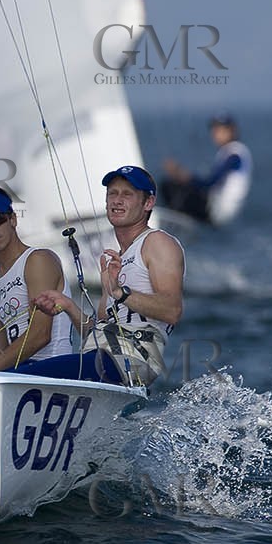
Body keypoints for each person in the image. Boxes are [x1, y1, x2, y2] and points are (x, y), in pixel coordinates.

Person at [28, 165, 185, 385]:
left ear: (148, 203)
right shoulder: (116, 262)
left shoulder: (157, 242)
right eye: (113, 193)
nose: (117, 200)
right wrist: (69, 305)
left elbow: (172, 310)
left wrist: (119, 292)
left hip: (130, 361)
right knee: (23, 370)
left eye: (127, 194)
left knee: (24, 375)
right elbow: (97, 331)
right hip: (101, 360)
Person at [0, 186, 74, 370]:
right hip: (21, 371)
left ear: (13, 220)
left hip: (53, 366)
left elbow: (41, 334)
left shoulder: (37, 260)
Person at [160, 114, 252, 226]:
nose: (216, 134)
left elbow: (210, 182)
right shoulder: (232, 152)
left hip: (218, 211)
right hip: (221, 210)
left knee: (168, 186)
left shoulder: (234, 154)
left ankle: (178, 226)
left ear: (232, 130)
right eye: (214, 130)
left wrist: (181, 174)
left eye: (221, 130)